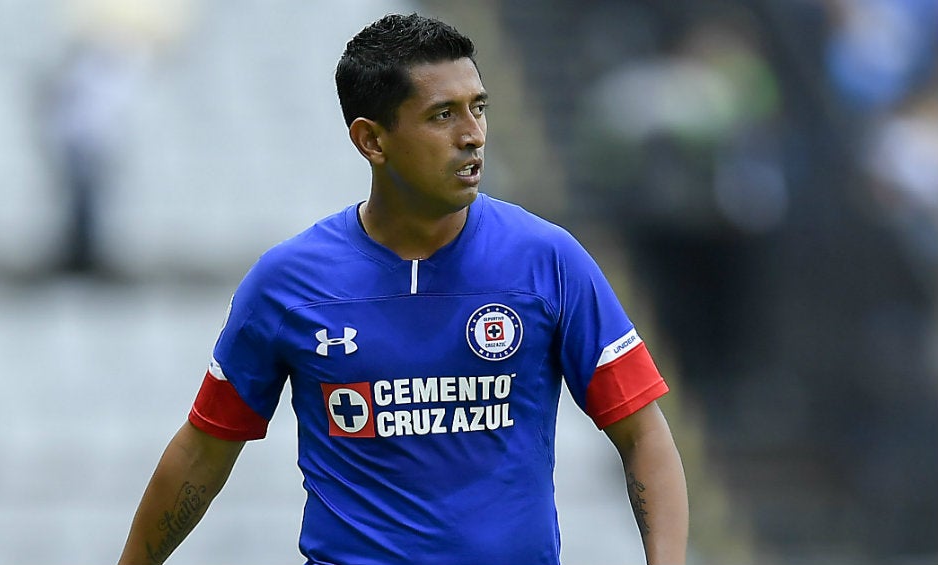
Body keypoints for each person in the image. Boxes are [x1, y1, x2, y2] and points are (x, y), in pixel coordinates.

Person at [117, 13, 688, 565]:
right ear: (371, 140)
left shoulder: (548, 260)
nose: (473, 135)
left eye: (479, 108)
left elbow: (642, 434)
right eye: (443, 115)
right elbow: (204, 449)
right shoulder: (288, 284)